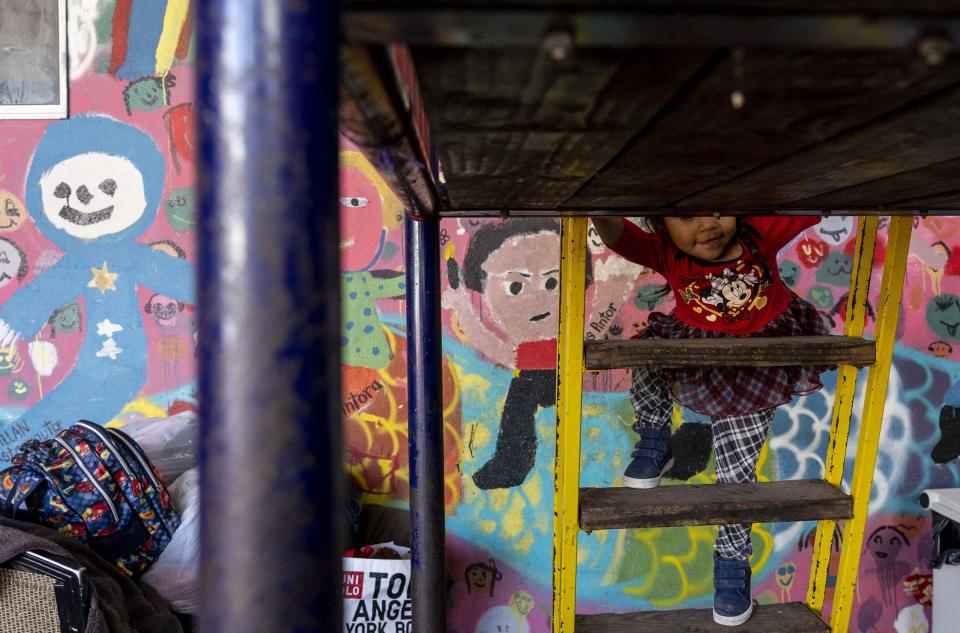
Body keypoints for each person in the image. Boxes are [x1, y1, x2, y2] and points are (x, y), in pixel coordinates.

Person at [592, 214, 827, 627]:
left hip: (756, 367)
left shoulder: (759, 235)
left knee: (736, 477)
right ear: (662, 224)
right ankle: (654, 438)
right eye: (686, 216)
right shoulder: (665, 250)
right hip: (695, 351)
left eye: (719, 208)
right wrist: (596, 204)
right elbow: (617, 233)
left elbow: (811, 205)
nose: (708, 223)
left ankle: (731, 570)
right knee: (647, 350)